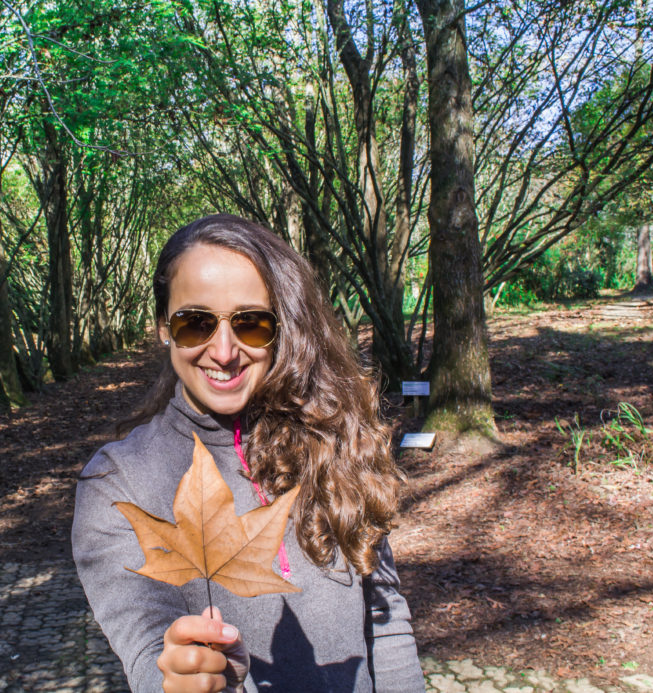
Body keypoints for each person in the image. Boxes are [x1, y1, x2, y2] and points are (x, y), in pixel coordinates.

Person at [72, 214, 425, 693]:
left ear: (282, 327)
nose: (224, 351)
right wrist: (181, 677)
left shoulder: (331, 442)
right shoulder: (117, 483)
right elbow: (145, 646)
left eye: (251, 324)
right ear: (163, 328)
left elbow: (384, 620)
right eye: (195, 323)